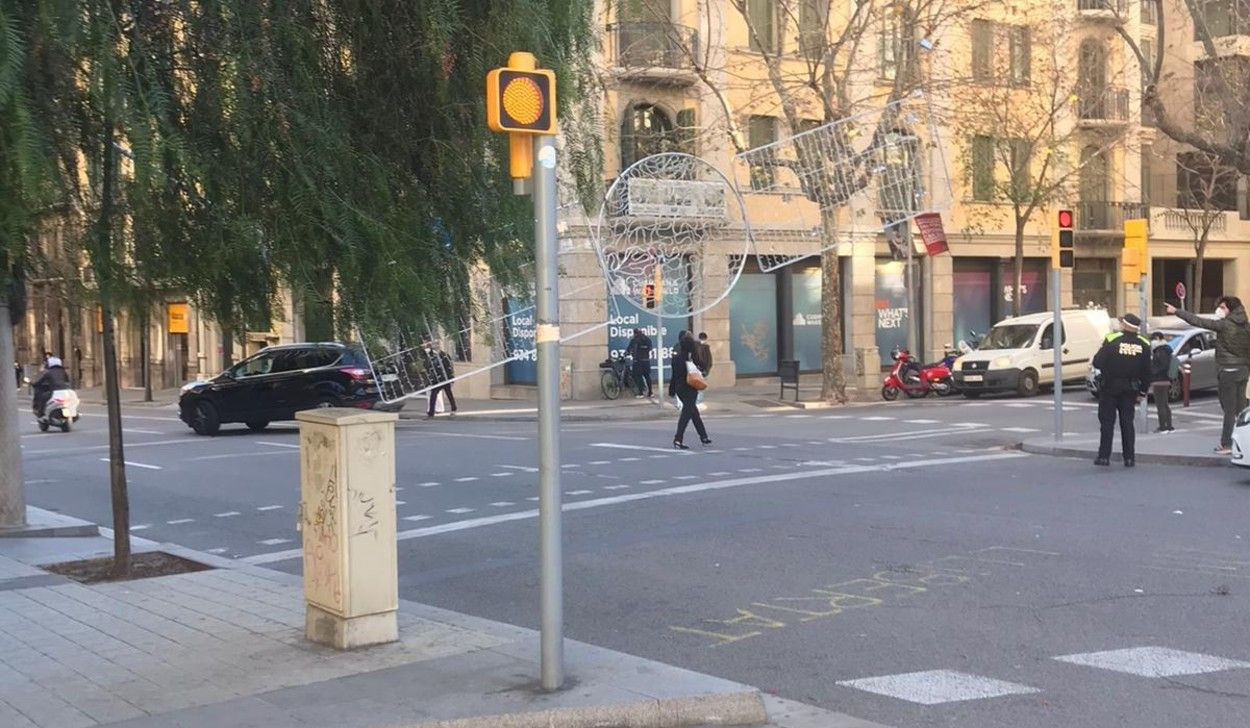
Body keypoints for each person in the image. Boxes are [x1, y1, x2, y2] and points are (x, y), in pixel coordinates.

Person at [1165, 296, 1250, 454]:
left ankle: (1226, 444)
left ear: (1230, 309)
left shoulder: (1224, 325)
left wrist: (1177, 311)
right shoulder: (1246, 326)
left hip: (1228, 371)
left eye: (1223, 307)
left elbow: (1198, 321)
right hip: (1243, 371)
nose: (1219, 310)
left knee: (1229, 410)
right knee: (1241, 408)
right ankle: (1243, 441)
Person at [1091, 314, 1151, 467]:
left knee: (1107, 423)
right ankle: (1129, 458)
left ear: (1124, 325)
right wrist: (1143, 391)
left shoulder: (1112, 339)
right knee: (1127, 423)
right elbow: (1147, 371)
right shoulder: (1144, 343)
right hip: (1130, 389)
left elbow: (1097, 362)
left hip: (1110, 388)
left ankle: (1104, 457)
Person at [668, 336, 710, 449]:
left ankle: (704, 436)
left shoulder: (676, 358)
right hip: (690, 388)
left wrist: (671, 390)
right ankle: (678, 439)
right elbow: (703, 367)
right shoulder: (692, 358)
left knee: (693, 412)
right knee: (686, 414)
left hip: (679, 388)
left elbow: (674, 376)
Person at [1149, 332, 1176, 434]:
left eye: (1152, 339)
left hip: (1159, 380)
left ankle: (1163, 427)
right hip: (1165, 379)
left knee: (1160, 405)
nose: (1151, 342)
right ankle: (1169, 426)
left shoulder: (1160, 351)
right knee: (1164, 404)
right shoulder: (1166, 350)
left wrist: (1153, 371)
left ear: (1157, 338)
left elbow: (1162, 366)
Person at [425, 347, 458, 419]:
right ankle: (431, 413)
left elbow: (449, 367)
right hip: (436, 380)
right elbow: (430, 368)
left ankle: (454, 408)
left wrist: (451, 379)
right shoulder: (431, 356)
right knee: (433, 395)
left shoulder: (444, 355)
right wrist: (431, 379)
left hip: (445, 378)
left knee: (449, 393)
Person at [625, 328, 653, 398]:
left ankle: (641, 393)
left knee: (638, 376)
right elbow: (650, 348)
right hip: (646, 360)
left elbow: (629, 349)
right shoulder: (647, 339)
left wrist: (627, 353)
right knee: (647, 376)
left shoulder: (634, 340)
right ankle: (650, 392)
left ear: (635, 333)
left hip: (638, 361)